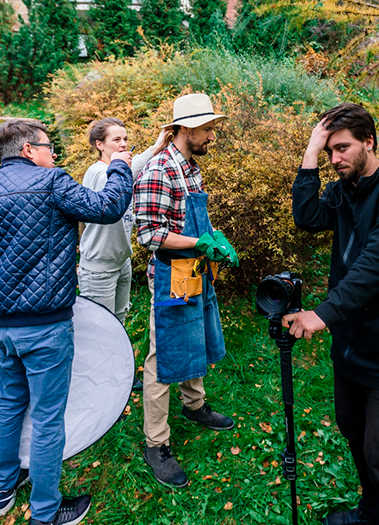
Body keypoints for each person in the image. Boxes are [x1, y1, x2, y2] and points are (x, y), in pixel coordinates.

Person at [0, 118, 132, 525]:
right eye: (48, 146)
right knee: (46, 417)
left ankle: (2, 490)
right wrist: (118, 165)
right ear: (28, 150)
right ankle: (45, 511)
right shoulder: (52, 182)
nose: (54, 153)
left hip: (2, 327)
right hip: (46, 325)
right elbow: (108, 208)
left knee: (10, 402)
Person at [283, 103, 379, 525]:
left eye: (343, 148)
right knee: (354, 432)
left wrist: (324, 313)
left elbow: (378, 265)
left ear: (369, 141)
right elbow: (307, 216)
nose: (337, 160)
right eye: (330, 151)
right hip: (354, 339)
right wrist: (310, 153)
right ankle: (372, 515)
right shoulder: (345, 187)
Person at [134, 93, 239, 488]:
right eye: (209, 129)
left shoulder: (189, 167)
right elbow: (149, 234)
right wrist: (198, 244)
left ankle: (194, 406)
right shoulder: (159, 170)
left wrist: (213, 238)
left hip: (195, 269)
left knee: (194, 336)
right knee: (164, 355)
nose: (213, 136)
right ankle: (155, 443)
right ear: (187, 129)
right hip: (170, 276)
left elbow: (192, 219)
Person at [78, 118, 167, 391]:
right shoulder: (98, 172)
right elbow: (123, 175)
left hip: (121, 262)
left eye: (125, 138)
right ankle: (97, 387)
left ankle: (118, 376)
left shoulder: (119, 171)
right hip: (98, 268)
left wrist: (157, 146)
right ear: (99, 145)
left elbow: (131, 169)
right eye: (116, 139)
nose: (124, 143)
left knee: (118, 321)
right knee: (98, 329)